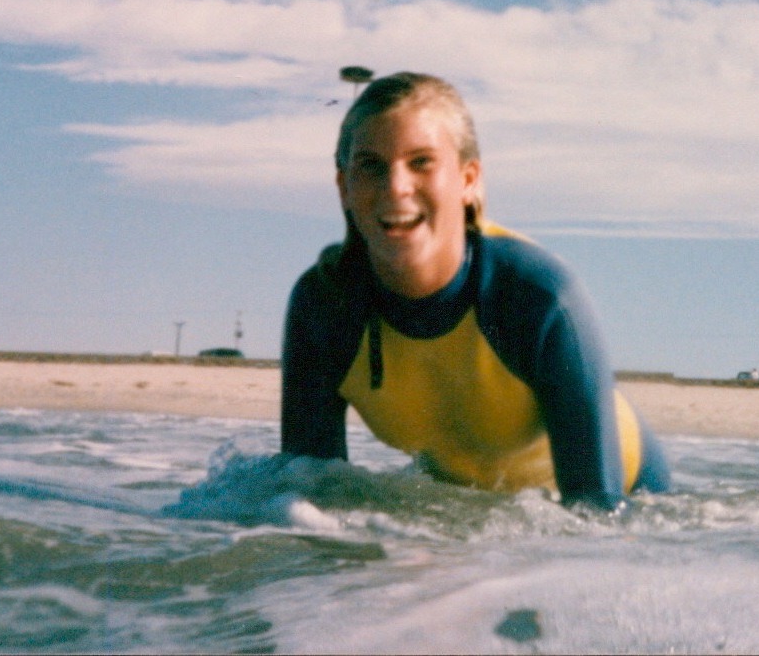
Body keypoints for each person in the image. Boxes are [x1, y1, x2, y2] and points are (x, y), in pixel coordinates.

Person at [281, 71, 670, 511]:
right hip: (476, 500)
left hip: (629, 496)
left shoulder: (536, 297)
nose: (396, 186)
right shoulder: (325, 308)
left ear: (468, 180)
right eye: (371, 165)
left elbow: (597, 514)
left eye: (421, 161)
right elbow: (306, 498)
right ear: (344, 187)